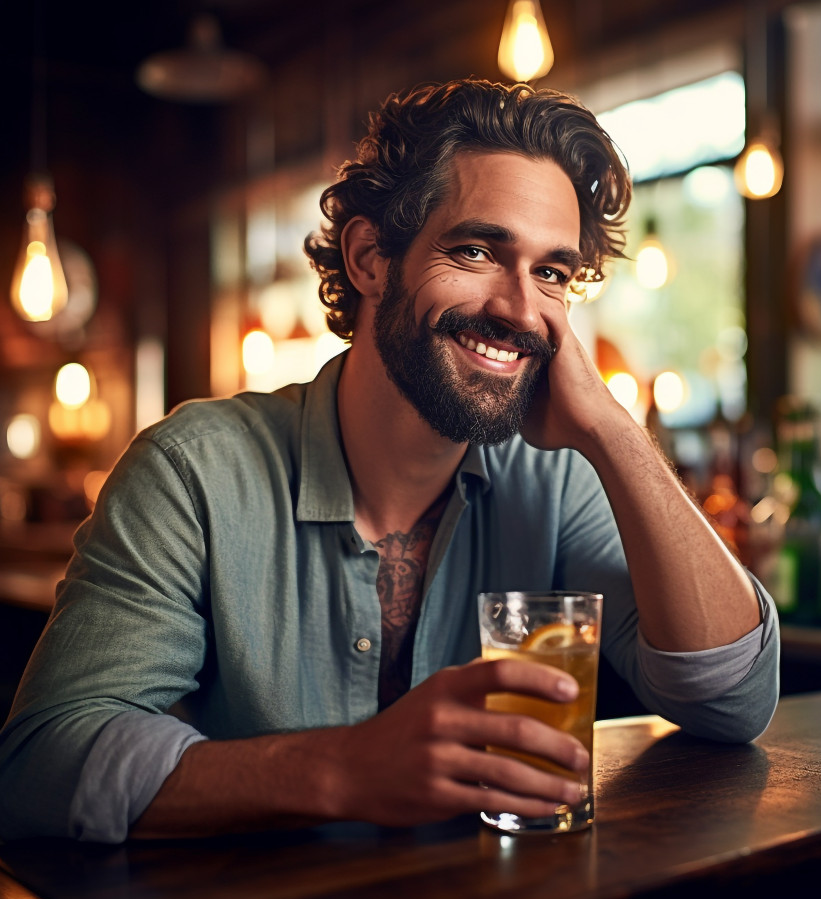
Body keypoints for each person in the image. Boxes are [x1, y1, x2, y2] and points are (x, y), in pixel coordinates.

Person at [0, 79, 778, 843]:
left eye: (551, 274)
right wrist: (342, 771)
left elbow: (731, 701)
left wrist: (613, 431)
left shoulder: (557, 478)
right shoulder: (193, 473)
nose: (519, 309)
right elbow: (42, 762)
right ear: (370, 257)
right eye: (476, 250)